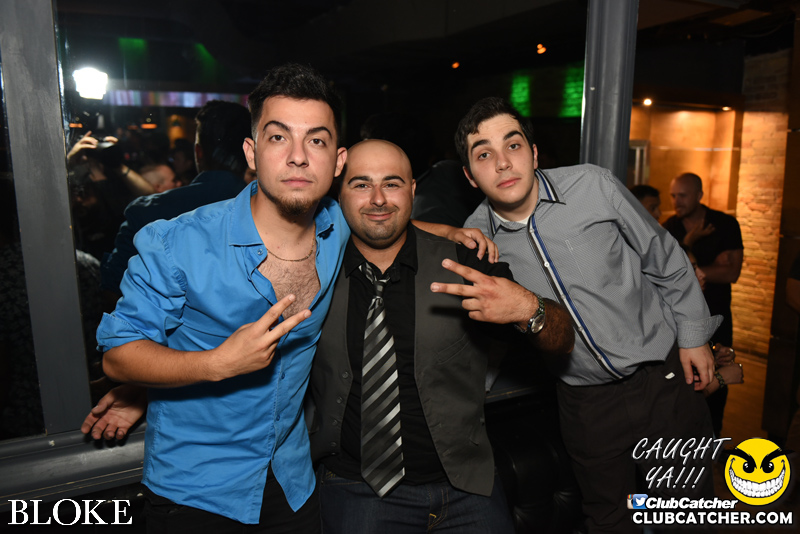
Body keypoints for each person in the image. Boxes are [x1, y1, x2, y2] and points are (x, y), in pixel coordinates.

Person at [87, 64, 496, 532]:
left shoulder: (336, 228)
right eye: (279, 137)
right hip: (197, 491)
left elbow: (381, 215)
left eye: (316, 141)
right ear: (252, 152)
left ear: (337, 162)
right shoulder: (177, 243)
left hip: (293, 483)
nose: (298, 157)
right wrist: (213, 364)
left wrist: (450, 231)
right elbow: (118, 355)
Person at [450, 97, 721, 533]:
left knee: (687, 515)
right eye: (484, 155)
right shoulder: (477, 239)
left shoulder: (592, 186)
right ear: (469, 174)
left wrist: (694, 337)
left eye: (513, 145)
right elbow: (486, 331)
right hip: (585, 404)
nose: (502, 163)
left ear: (533, 152)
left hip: (662, 380)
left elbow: (664, 256)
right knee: (608, 519)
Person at [310, 139, 574, 533]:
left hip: (465, 486)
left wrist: (529, 309)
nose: (378, 198)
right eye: (361, 184)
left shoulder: (463, 262)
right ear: (338, 194)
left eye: (392, 183)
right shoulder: (312, 266)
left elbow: (562, 341)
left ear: (413, 190)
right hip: (356, 487)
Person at [99, 100, 252, 297]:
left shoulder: (147, 214)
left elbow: (114, 292)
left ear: (198, 152)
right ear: (250, 153)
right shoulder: (275, 213)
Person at [664, 172, 744, 436]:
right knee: (686, 381)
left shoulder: (724, 224)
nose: (677, 201)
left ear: (699, 195)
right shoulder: (669, 228)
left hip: (716, 317)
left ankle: (711, 441)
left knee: (717, 374)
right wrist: (693, 249)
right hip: (679, 320)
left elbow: (731, 272)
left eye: (683, 195)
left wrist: (690, 267)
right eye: (673, 196)